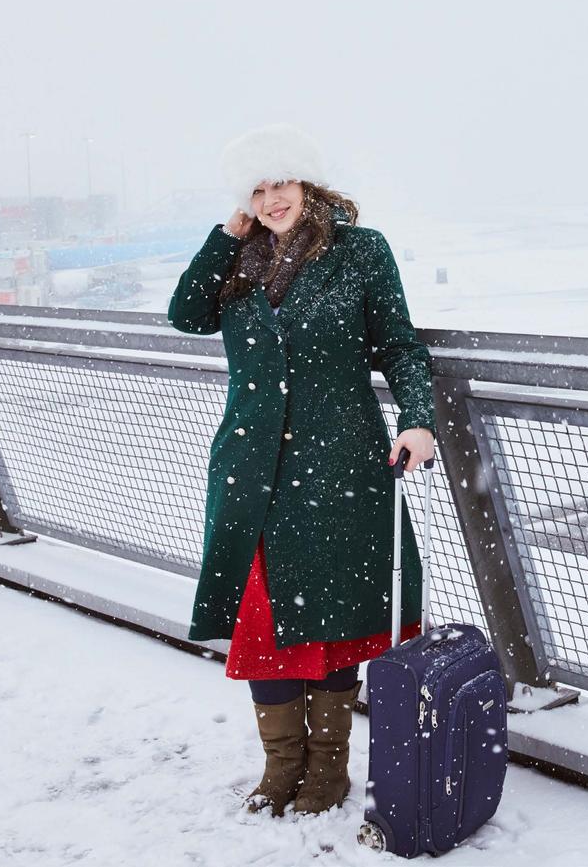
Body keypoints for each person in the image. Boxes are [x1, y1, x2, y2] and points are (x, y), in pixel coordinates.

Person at [167, 122, 436, 819]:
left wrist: (417, 417)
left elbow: (401, 345)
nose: (271, 198)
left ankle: (328, 767)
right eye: (256, 188)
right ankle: (281, 764)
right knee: (263, 623)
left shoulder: (358, 252)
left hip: (339, 460)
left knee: (332, 617)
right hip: (254, 467)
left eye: (279, 182)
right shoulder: (240, 260)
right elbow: (184, 313)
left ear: (307, 182)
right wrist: (227, 233)